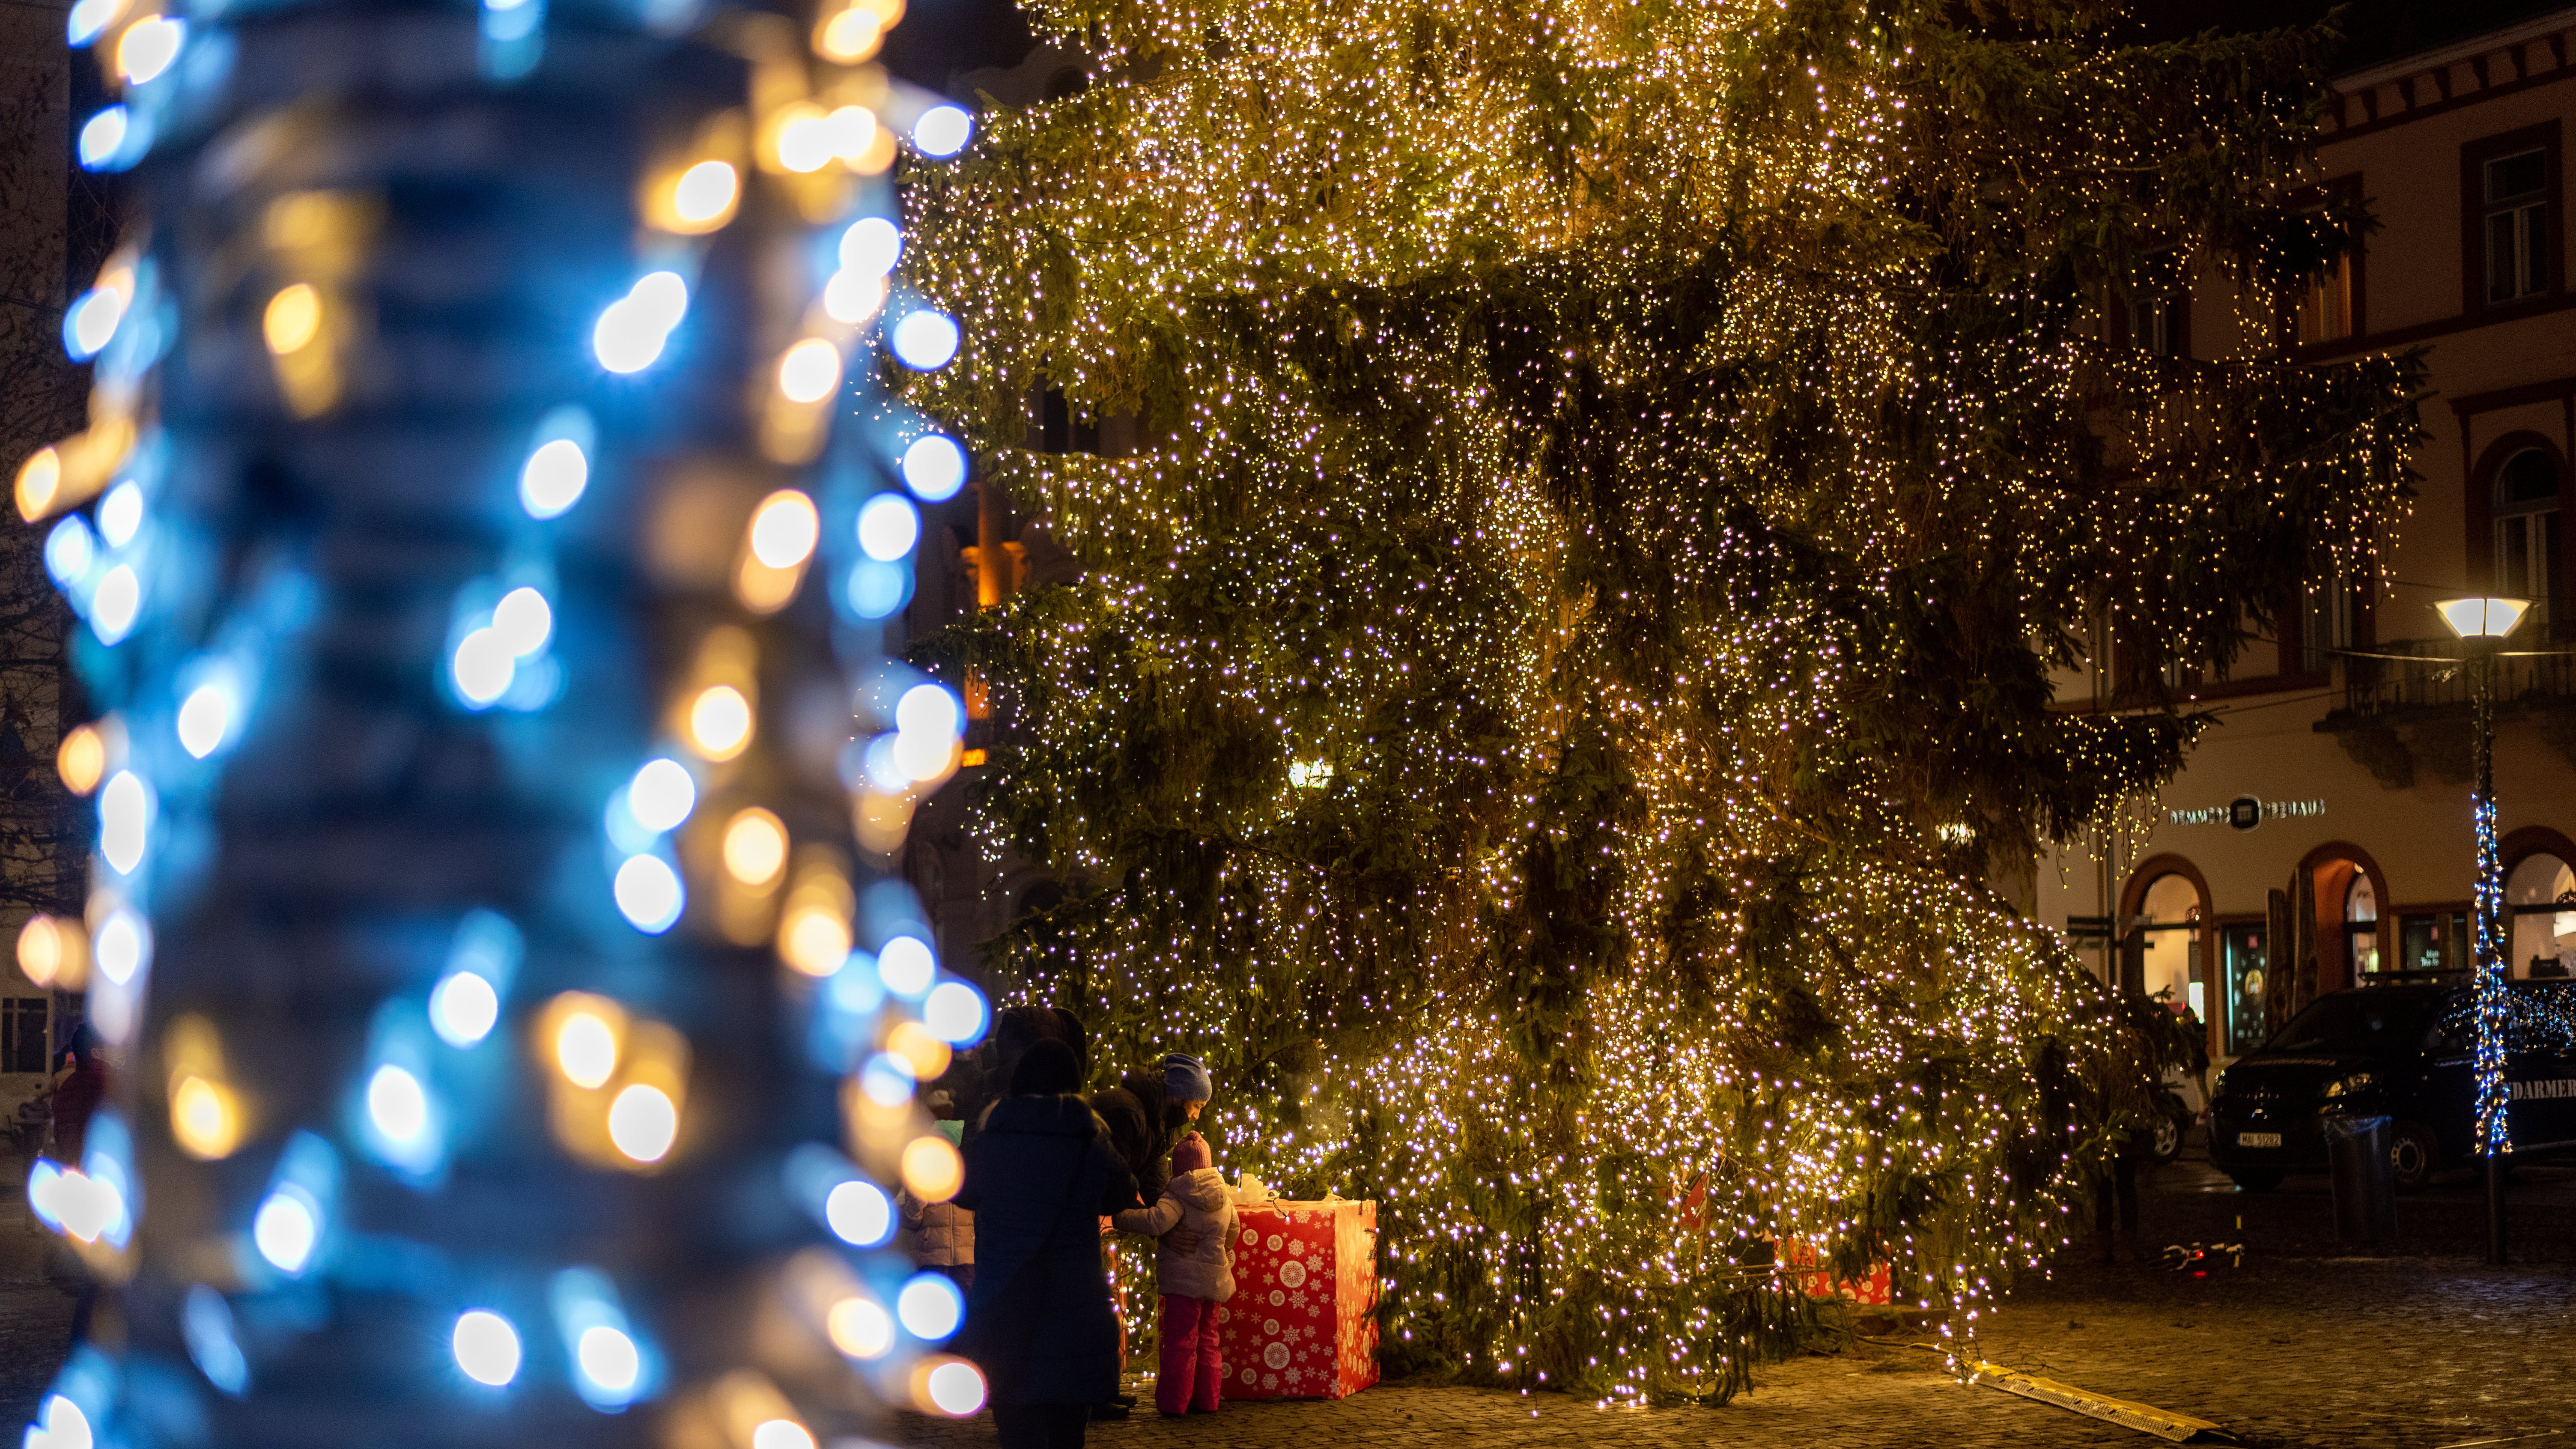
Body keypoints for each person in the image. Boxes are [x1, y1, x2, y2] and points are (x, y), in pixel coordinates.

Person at [957, 1039, 1140, 1449]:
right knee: (1068, 1435)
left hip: (1007, 1307)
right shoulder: (1090, 1138)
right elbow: (1122, 1193)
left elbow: (961, 1192)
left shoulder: (994, 1137)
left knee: (1017, 1433)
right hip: (1074, 1310)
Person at [1123, 1132, 1236, 1417]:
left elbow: (1156, 1222)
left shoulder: (1177, 1195)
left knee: (1181, 1342)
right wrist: (1223, 1252)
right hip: (1215, 1281)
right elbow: (1233, 1231)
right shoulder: (1224, 1196)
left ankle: (1175, 1404)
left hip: (1183, 1284)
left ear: (1179, 1167)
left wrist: (1120, 1216)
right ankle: (1207, 1400)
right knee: (1209, 1340)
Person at [902, 1091, 973, 1293]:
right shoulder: (920, 1162)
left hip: (963, 1257)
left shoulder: (967, 1161)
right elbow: (912, 1219)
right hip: (938, 1257)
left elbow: (911, 1219)